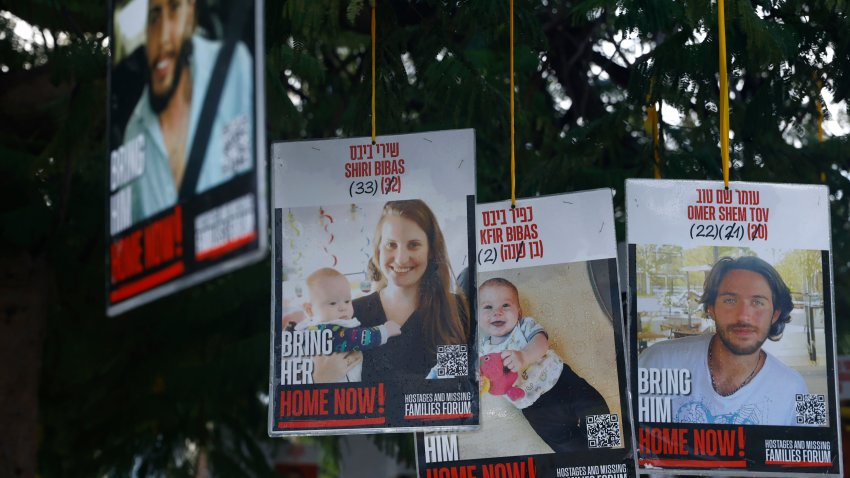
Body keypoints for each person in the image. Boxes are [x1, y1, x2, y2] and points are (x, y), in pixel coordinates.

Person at [123, 0, 253, 223]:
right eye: (153, 18)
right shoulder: (134, 133)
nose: (163, 37)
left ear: (191, 15)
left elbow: (244, 182)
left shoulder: (232, 67)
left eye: (174, 8)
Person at [639, 256, 808, 425]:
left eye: (757, 302)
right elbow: (616, 417)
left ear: (775, 314)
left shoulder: (798, 386)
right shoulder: (657, 360)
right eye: (730, 300)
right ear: (711, 308)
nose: (743, 316)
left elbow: (822, 446)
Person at [318, 200, 469, 384]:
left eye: (413, 245)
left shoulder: (453, 311)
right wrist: (321, 378)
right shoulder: (350, 315)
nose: (401, 258)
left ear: (431, 250)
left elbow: (453, 391)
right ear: (378, 248)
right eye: (391, 244)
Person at [477, 278, 609, 453]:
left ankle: (607, 453)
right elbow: (477, 377)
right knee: (565, 445)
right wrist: (477, 382)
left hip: (562, 382)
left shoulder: (524, 326)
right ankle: (587, 464)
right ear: (477, 316)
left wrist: (524, 356)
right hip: (536, 408)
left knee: (596, 408)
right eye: (488, 307)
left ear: (519, 312)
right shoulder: (482, 351)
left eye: (506, 305)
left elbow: (541, 342)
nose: (497, 312)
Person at [289, 267, 401, 383]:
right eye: (332, 303)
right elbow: (354, 338)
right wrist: (384, 331)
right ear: (310, 310)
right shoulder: (325, 330)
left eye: (347, 301)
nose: (343, 307)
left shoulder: (309, 332)